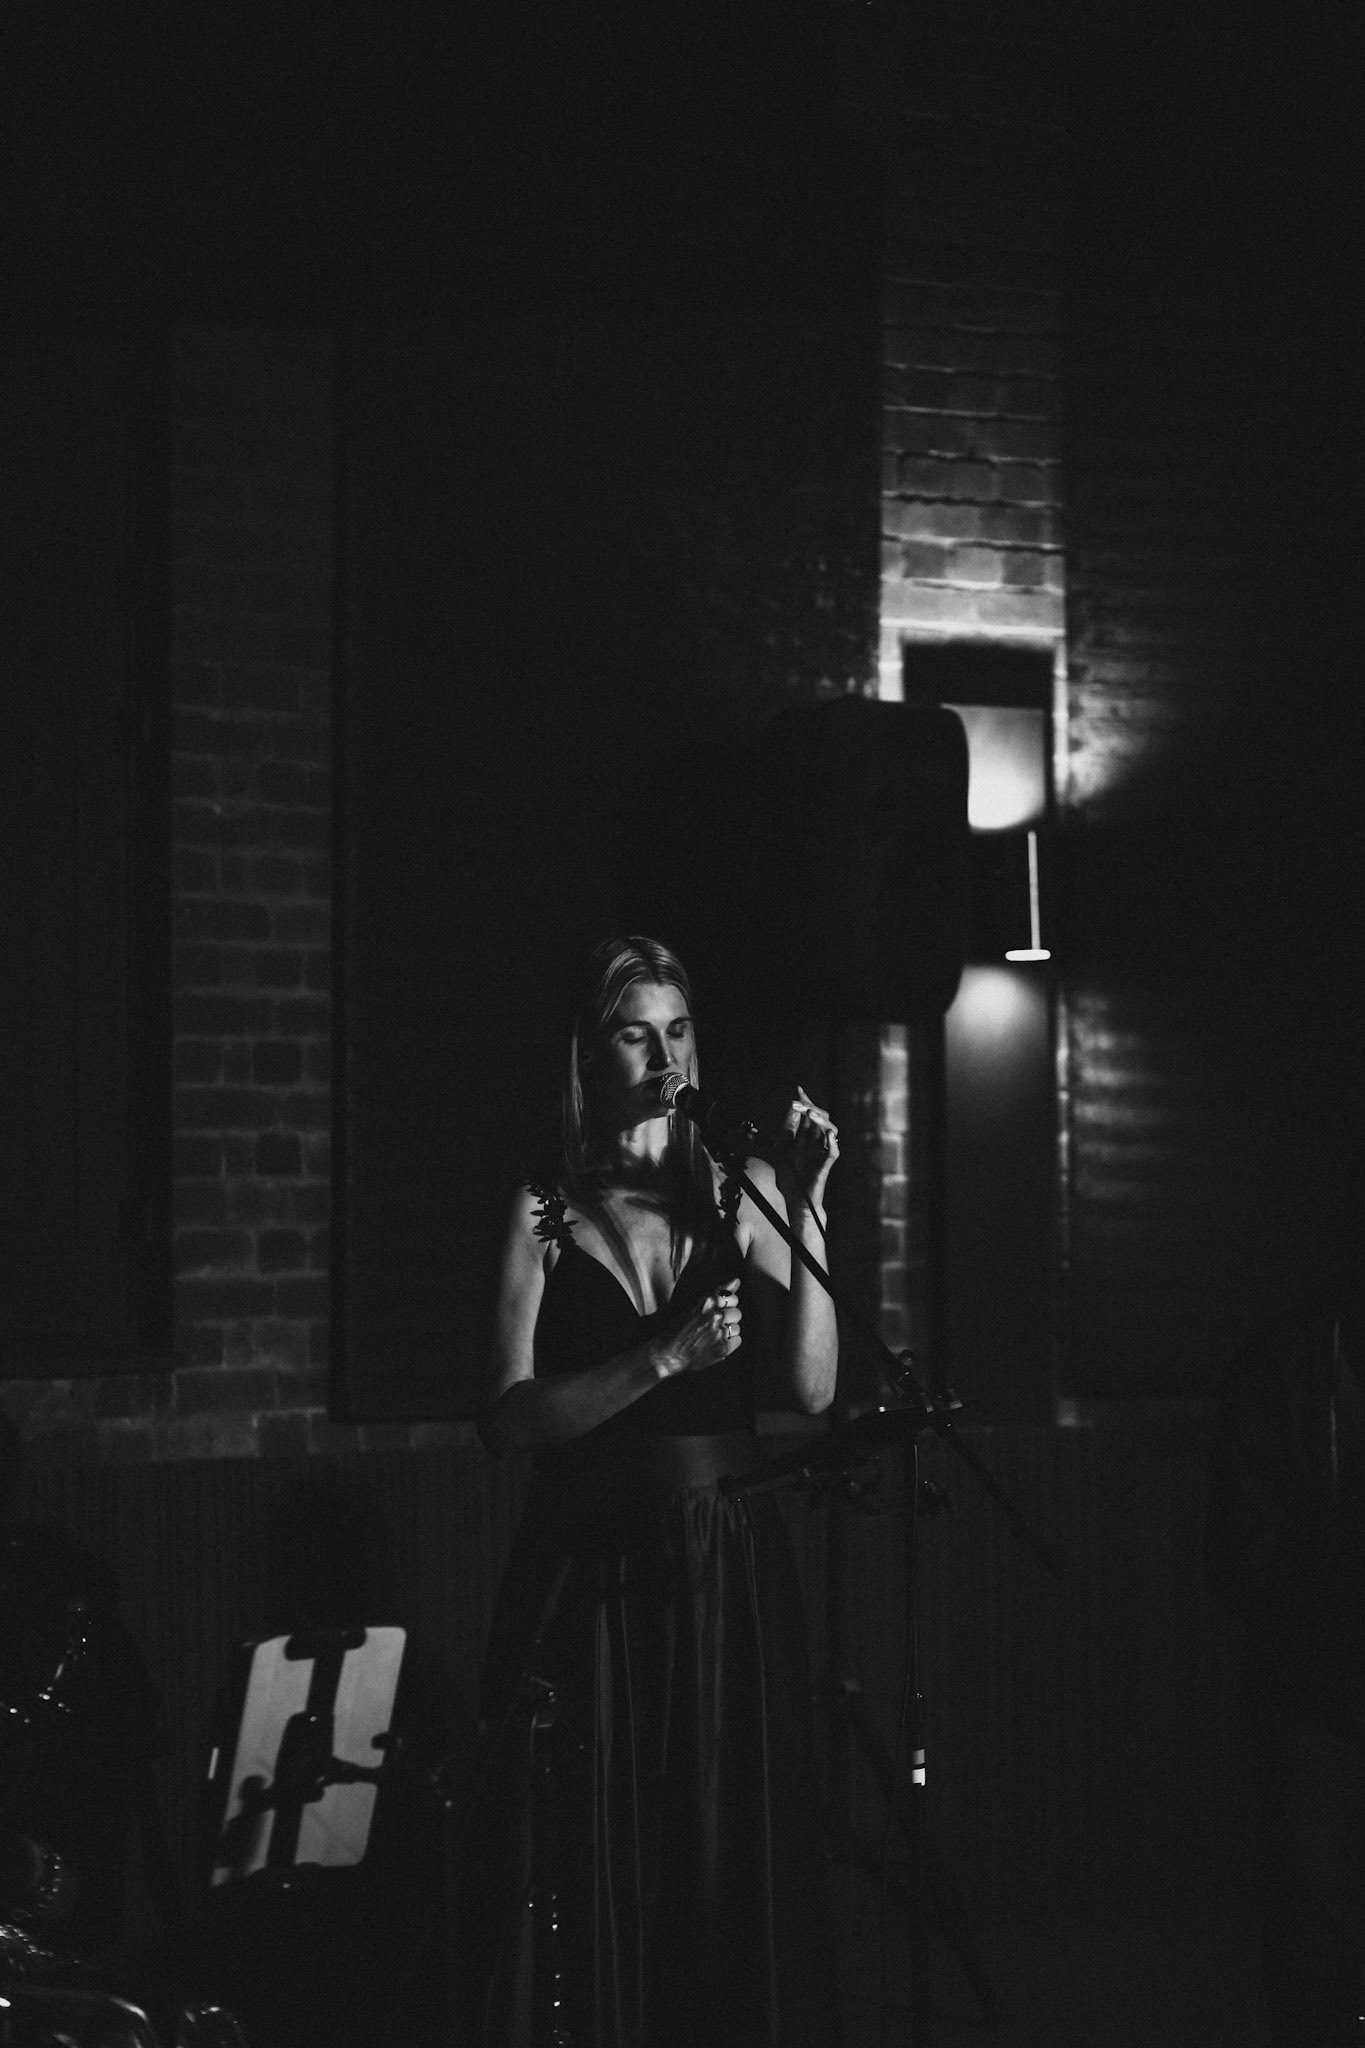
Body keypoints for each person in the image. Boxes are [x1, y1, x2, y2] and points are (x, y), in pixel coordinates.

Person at [459, 934, 842, 2047]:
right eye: (637, 1034)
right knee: (601, 1840)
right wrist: (660, 1360)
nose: (665, 1057)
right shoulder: (544, 1208)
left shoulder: (738, 1189)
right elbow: (507, 1417)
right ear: (592, 1051)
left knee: (722, 1837)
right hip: (595, 1564)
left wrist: (810, 1201)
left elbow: (814, 1387)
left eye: (678, 1031)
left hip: (724, 1562)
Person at [1206, 1291, 1365, 2046]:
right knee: (1312, 1910)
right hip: (1314, 1687)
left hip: (1313, 1680)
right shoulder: (1289, 1363)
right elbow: (1239, 1554)